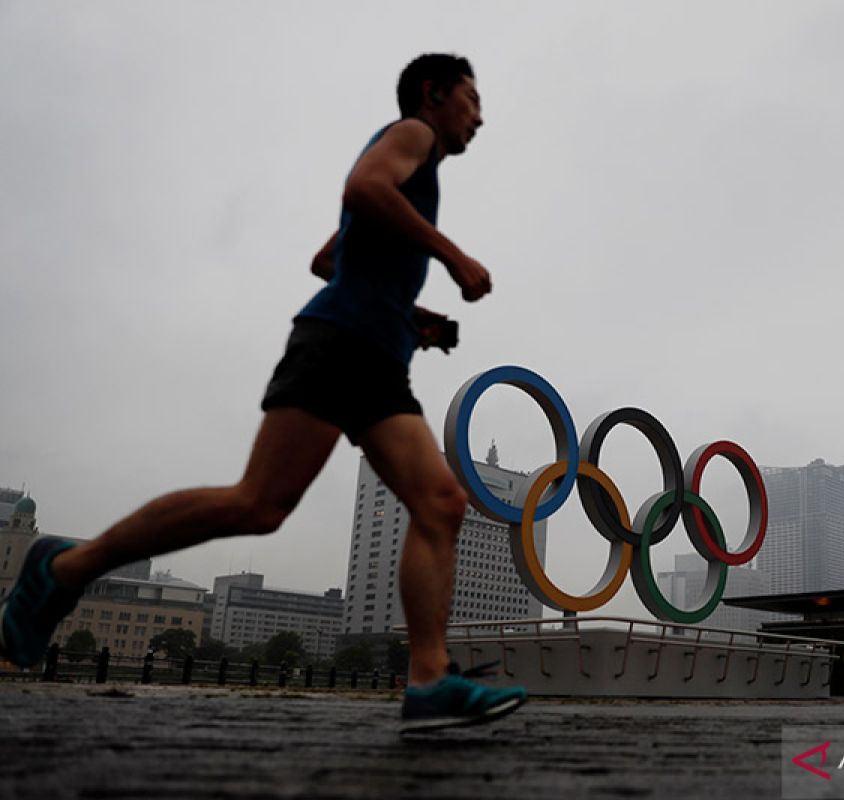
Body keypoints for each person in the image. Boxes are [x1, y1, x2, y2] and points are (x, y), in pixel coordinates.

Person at [0, 53, 527, 732]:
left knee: (440, 501)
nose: (480, 116)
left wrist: (410, 314)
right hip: (340, 345)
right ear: (433, 95)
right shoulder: (412, 136)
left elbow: (328, 259)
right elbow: (364, 187)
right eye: (471, 99)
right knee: (260, 503)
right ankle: (66, 566)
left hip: (376, 355)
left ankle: (428, 680)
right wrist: (452, 257)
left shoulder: (415, 178)